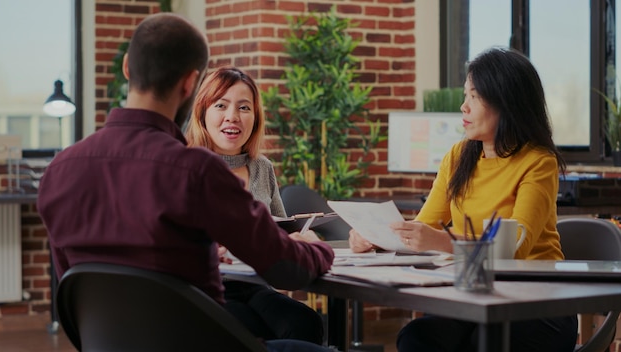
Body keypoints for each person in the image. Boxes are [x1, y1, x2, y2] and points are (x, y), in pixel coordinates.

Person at [37, 13, 335, 352]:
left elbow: (74, 289)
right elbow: (285, 269)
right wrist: (318, 248)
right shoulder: (196, 171)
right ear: (191, 83)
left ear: (127, 68)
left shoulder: (59, 171)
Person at [349, 47, 577, 352]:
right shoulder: (458, 156)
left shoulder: (538, 161)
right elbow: (424, 226)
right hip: (472, 296)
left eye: (473, 96)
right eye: (465, 96)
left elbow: (515, 244)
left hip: (537, 302)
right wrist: (375, 237)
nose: (463, 107)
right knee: (417, 337)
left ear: (506, 101)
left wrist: (441, 241)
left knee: (480, 343)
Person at [183, 65, 325, 345]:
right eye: (221, 105)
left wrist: (301, 238)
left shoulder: (262, 168)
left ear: (255, 116)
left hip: (255, 284)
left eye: (244, 108)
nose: (232, 117)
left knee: (305, 323)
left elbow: (280, 232)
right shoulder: (184, 164)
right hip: (205, 288)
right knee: (251, 334)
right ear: (202, 112)